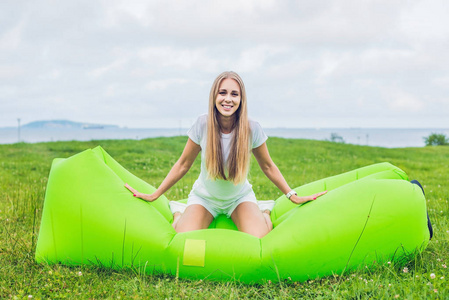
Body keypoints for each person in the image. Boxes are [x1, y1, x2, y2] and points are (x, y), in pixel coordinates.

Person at [125, 71, 327, 238]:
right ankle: (179, 211)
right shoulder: (202, 124)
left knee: (261, 237)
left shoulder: (252, 129)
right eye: (222, 93)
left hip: (239, 197)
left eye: (234, 94)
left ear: (241, 99)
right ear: (214, 97)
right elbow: (183, 164)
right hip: (205, 198)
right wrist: (156, 194)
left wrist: (292, 196)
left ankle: (264, 210)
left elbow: (268, 166)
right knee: (182, 238)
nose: (228, 99)